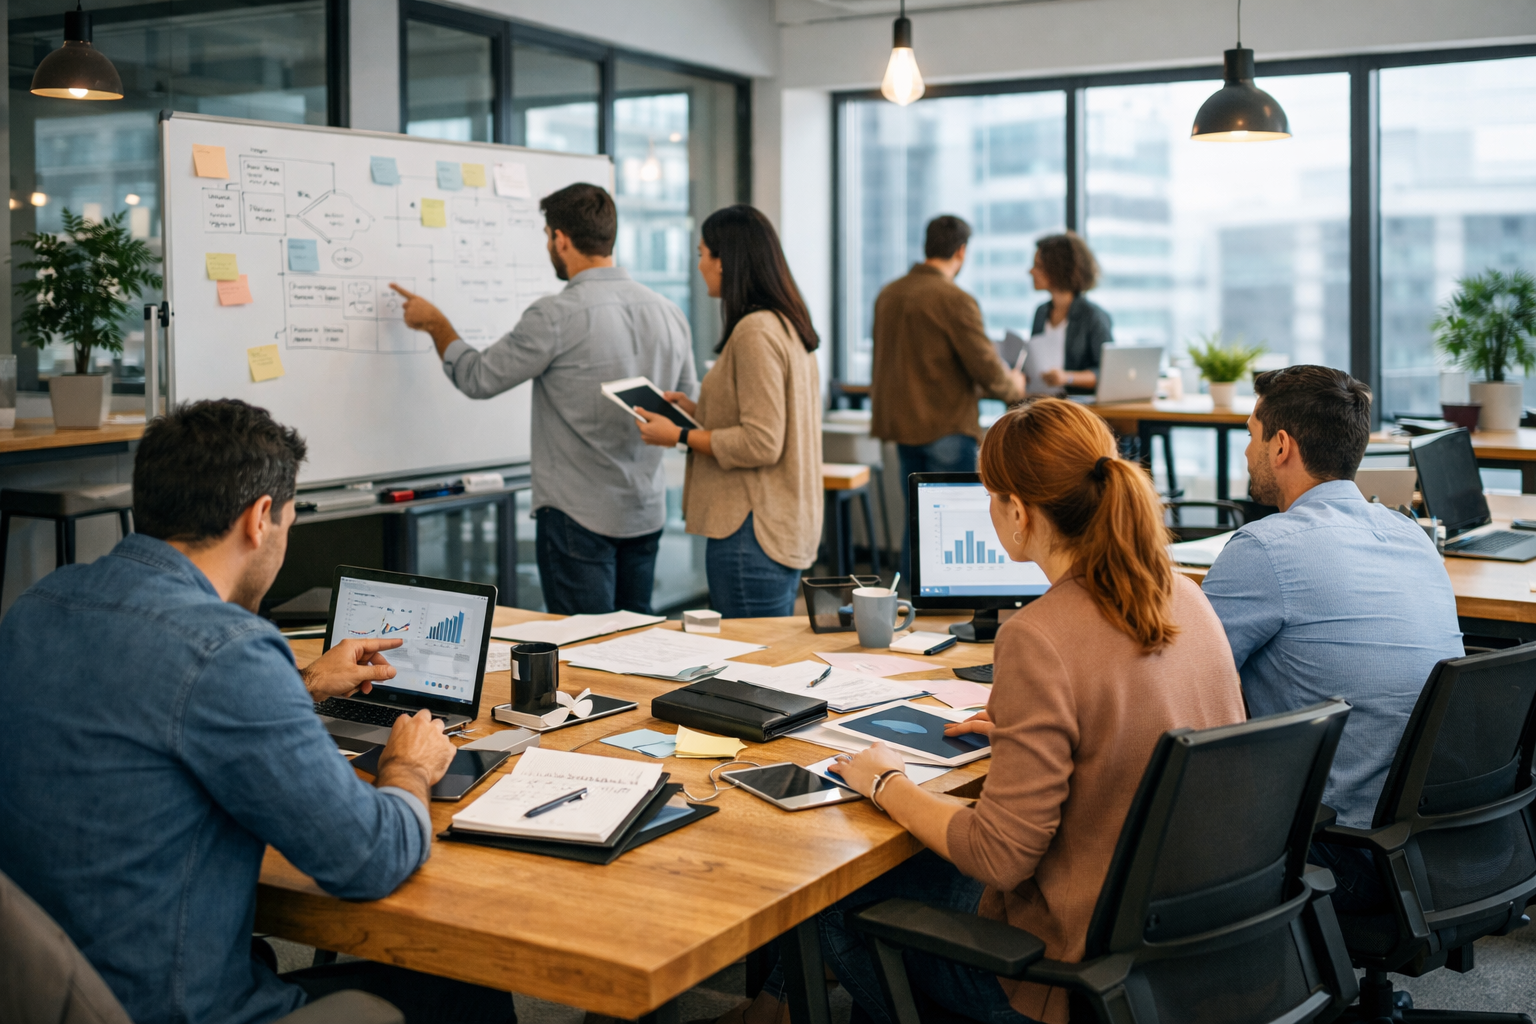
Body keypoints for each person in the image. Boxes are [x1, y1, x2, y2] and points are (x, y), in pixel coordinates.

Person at [731, 398, 1245, 1024]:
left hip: (1073, 973)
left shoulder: (1038, 636)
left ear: (1020, 512)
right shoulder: (1186, 595)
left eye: (990, 495)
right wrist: (1034, 733)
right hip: (1191, 942)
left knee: (833, 896)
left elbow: (1000, 856)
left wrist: (884, 780)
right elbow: (1137, 718)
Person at [0, 399, 512, 1024]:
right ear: (260, 518)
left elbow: (156, 707)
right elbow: (369, 859)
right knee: (468, 988)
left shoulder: (39, 605)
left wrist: (301, 683)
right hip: (171, 1006)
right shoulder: (227, 648)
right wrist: (408, 766)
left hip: (54, 987)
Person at [1201, 364, 1463, 911]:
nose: (1247, 454)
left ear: (1280, 446)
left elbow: (1179, 678)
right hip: (1433, 845)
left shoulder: (1263, 549)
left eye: (1251, 436)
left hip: (1337, 855)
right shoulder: (1412, 536)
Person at [391, 182, 696, 617]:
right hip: (644, 512)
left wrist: (437, 325)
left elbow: (477, 378)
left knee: (581, 653)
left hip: (578, 519)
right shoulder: (668, 311)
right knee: (636, 651)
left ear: (561, 239)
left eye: (546, 236)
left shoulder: (556, 315)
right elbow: (687, 407)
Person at [634, 205, 821, 618]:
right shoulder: (786, 324)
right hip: (776, 525)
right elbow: (769, 419)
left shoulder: (755, 331)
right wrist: (699, 411)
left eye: (702, 253)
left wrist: (678, 436)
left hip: (750, 532)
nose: (698, 265)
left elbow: (762, 442)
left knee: (749, 673)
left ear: (726, 261)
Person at [870, 214, 1027, 576]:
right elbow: (985, 365)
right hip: (944, 424)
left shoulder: (888, 294)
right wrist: (1013, 387)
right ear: (961, 251)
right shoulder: (954, 298)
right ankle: (945, 603)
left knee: (917, 520)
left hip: (900, 425)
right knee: (951, 527)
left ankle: (912, 601)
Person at [1026, 232, 1114, 395]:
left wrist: (1067, 378)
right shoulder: (1041, 312)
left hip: (1076, 407)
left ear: (1057, 269)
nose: (1030, 271)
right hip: (1042, 402)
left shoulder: (1093, 316)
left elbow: (1106, 373)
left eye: (1038, 266)